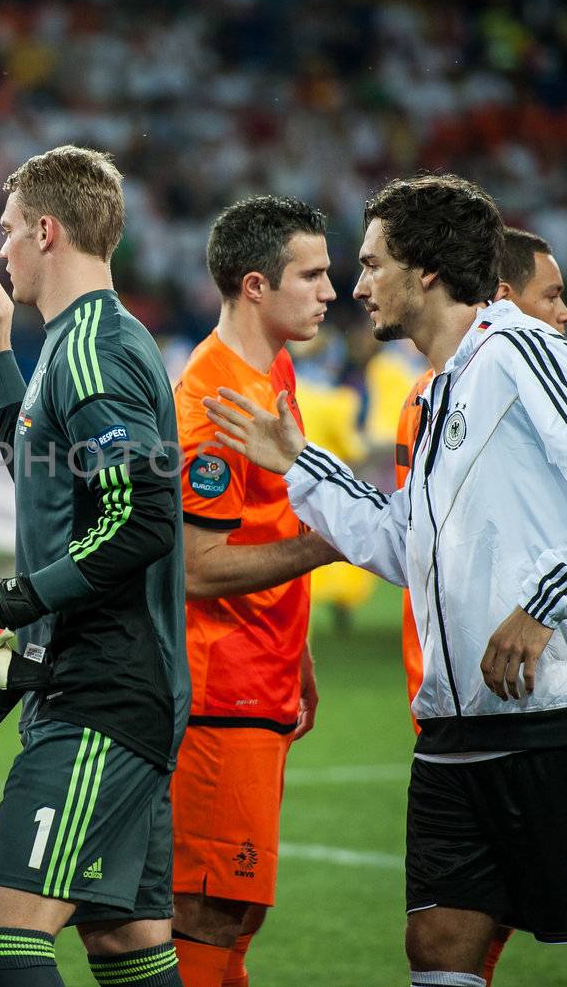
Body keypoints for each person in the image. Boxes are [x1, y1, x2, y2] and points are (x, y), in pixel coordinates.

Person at [206, 175, 567, 987]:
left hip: (559, 715)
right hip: (457, 726)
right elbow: (406, 544)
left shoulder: (522, 351)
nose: (356, 284)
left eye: (370, 263)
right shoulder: (442, 391)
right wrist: (302, 464)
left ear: (425, 270)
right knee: (438, 947)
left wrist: (542, 605)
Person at [0, 145, 188, 987]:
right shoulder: (75, 345)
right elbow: (48, 478)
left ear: (46, 228)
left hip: (104, 689)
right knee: (126, 942)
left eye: (6, 231)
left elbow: (140, 518)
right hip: (111, 680)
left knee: (4, 935)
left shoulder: (94, 349)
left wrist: (4, 601)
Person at [386, 224, 567, 982]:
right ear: (502, 299)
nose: (564, 314)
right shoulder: (441, 401)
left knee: (468, 936)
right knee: (458, 939)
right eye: (552, 296)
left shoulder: (499, 389)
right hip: (493, 703)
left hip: (501, 705)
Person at [167, 195, 340, 987]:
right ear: (256, 285)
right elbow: (197, 567)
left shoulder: (272, 366)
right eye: (312, 274)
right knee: (207, 909)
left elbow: (262, 522)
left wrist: (295, 644)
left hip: (260, 676)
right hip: (217, 692)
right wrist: (324, 546)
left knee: (240, 909)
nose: (331, 290)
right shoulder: (212, 401)